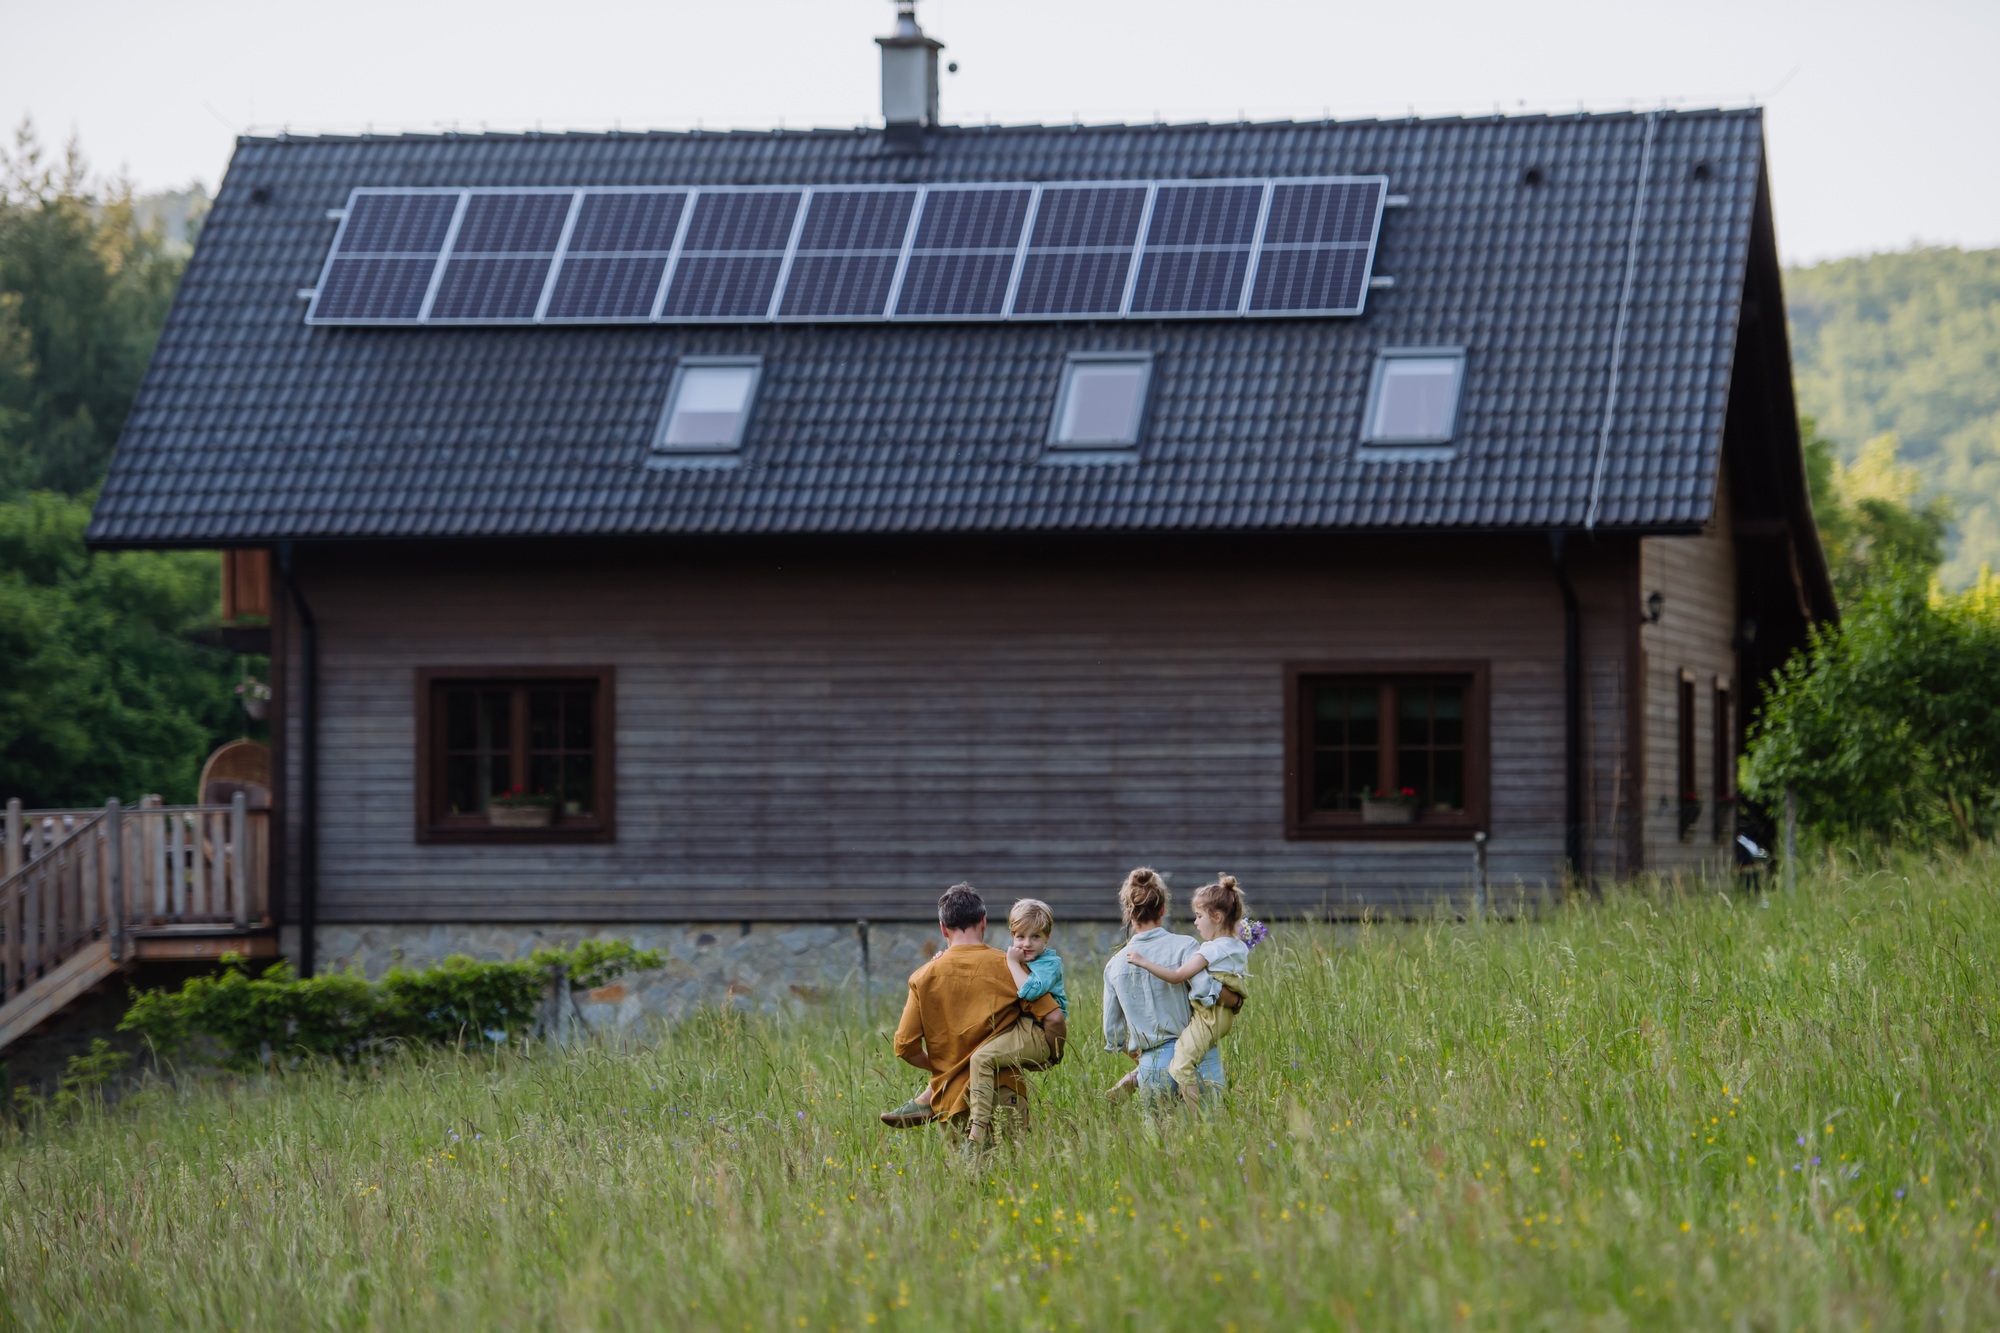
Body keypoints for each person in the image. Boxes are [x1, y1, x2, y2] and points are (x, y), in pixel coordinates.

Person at [883, 884, 1066, 1146]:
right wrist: (1052, 1053)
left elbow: (905, 1047)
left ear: (943, 928)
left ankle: (925, 1099)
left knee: (968, 1181)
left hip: (952, 1100)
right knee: (1013, 1179)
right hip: (1005, 1090)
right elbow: (1053, 1018)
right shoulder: (1011, 967)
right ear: (984, 922)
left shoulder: (923, 977)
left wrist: (948, 1068)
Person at [1101, 867, 1237, 1103]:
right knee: (1210, 1135)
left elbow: (1113, 1035)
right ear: (1163, 909)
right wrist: (1235, 1000)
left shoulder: (1114, 965)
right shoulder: (1186, 946)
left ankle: (1133, 1076)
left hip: (1152, 1065)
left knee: (1159, 1138)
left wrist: (1140, 1059)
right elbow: (1206, 992)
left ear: (1129, 914)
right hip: (1198, 1059)